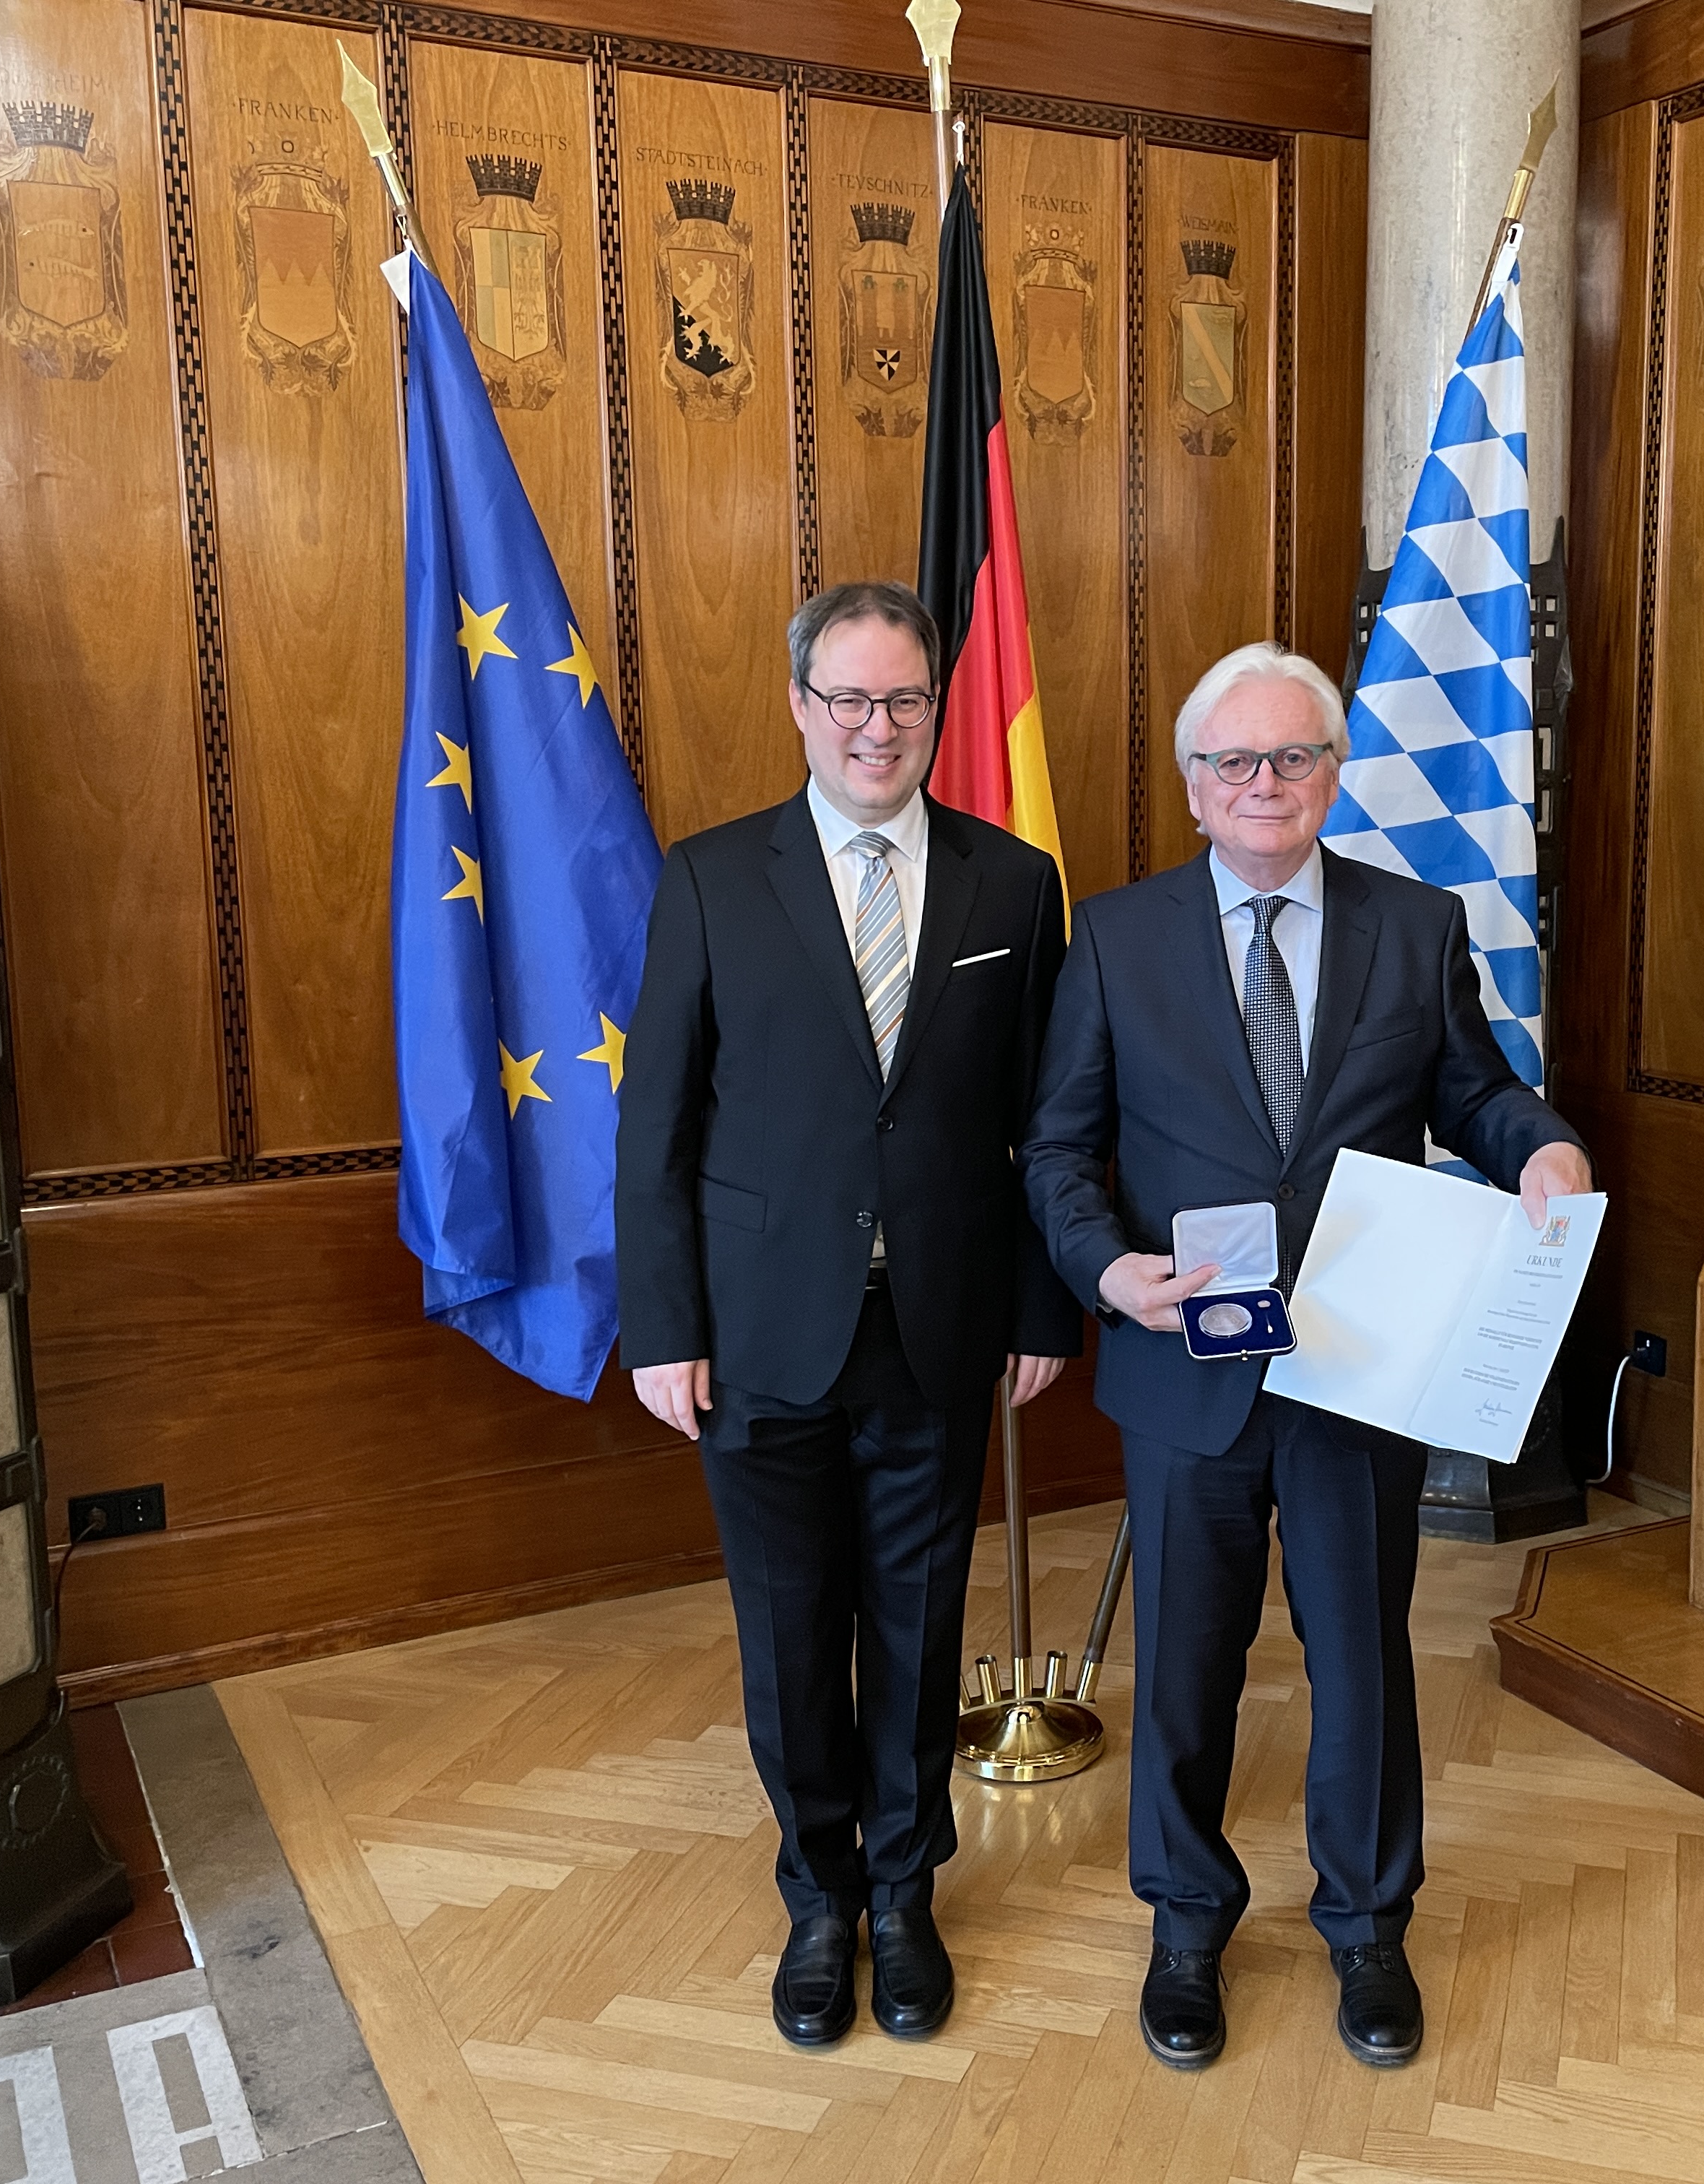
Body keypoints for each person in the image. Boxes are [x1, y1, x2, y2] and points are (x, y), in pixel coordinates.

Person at [1022, 641, 1594, 2073]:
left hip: (1360, 1364)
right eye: (1234, 761)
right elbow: (1058, 1148)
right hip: (1185, 1369)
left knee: (1361, 1660)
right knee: (1186, 1667)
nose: (1263, 782)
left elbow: (1476, 1091)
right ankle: (1186, 1926)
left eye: (1292, 757)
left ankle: (1368, 1926)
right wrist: (1107, 1271)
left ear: (1333, 776)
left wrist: (1543, 1147)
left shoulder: (1415, 925)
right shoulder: (1117, 938)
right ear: (1194, 786)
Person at [617, 579, 1079, 2048]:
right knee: (791, 1632)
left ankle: (904, 1892)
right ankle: (818, 1899)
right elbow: (656, 1126)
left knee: (920, 1628)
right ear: (802, 707)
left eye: (906, 700)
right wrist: (663, 1325)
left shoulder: (1015, 886)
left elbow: (1047, 1123)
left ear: (938, 706)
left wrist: (1043, 1305)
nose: (879, 728)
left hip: (939, 1327)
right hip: (759, 1334)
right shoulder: (710, 877)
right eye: (851, 699)